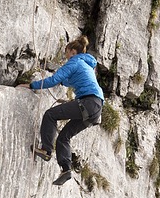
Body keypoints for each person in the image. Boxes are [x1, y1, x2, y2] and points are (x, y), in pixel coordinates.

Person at [26, 35, 104, 186]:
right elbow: (66, 80)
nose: (65, 55)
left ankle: (46, 150)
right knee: (64, 137)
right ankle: (66, 169)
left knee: (50, 115)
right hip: (96, 108)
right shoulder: (86, 65)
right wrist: (60, 80)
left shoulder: (74, 61)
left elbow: (54, 80)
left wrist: (31, 85)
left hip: (88, 102)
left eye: (66, 52)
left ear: (73, 51)